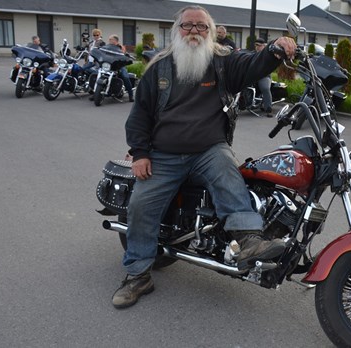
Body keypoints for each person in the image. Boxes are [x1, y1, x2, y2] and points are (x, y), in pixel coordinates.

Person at [113, 5, 296, 309]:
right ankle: (137, 275)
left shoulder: (224, 62)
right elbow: (140, 114)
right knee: (141, 205)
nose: (194, 31)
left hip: (208, 149)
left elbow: (252, 65)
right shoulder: (160, 66)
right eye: (188, 26)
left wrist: (274, 50)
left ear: (211, 31)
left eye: (201, 26)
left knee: (229, 172)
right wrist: (141, 153)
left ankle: (249, 241)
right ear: (177, 30)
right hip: (164, 153)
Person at [105, 34, 134, 102]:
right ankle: (96, 93)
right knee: (99, 73)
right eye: (109, 39)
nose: (109, 41)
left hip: (119, 65)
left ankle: (131, 95)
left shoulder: (120, 47)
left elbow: (123, 55)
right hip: (109, 65)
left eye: (110, 39)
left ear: (115, 40)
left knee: (125, 77)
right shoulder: (107, 47)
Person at [254, 38, 273, 116]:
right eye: (256, 45)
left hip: (263, 76)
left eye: (259, 45)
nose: (257, 47)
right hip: (252, 76)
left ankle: (268, 109)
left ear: (263, 46)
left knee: (265, 88)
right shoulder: (253, 54)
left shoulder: (267, 55)